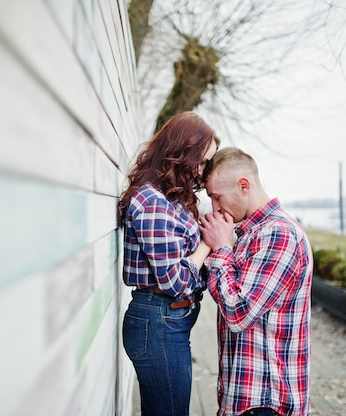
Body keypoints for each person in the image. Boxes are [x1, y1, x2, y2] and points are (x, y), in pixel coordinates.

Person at [118, 111, 220, 416]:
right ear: (180, 154)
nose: (203, 173)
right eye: (201, 162)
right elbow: (175, 282)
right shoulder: (153, 203)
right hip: (159, 322)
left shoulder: (172, 199)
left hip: (168, 322)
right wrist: (207, 243)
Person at [198, 147, 313, 416]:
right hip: (248, 398)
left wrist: (222, 248)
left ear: (243, 185)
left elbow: (239, 313)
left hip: (266, 401)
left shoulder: (279, 234)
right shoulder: (252, 234)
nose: (215, 207)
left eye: (217, 197)